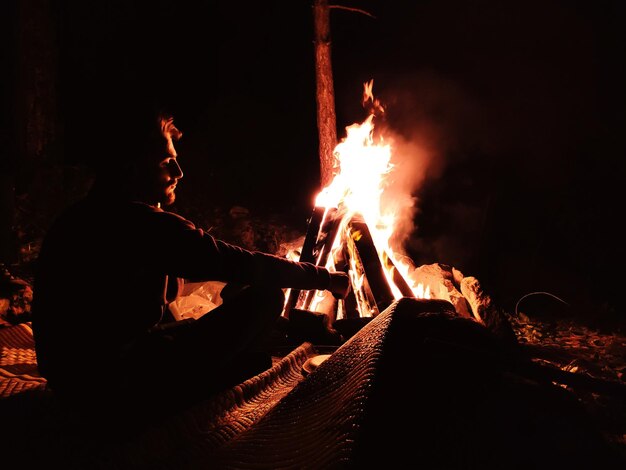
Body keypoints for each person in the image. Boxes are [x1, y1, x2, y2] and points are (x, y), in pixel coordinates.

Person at [30, 103, 350, 431]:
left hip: (72, 387)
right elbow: (245, 264)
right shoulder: (142, 224)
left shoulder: (76, 218)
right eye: (167, 162)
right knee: (265, 301)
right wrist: (325, 279)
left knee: (243, 354)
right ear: (132, 168)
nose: (179, 173)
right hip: (114, 395)